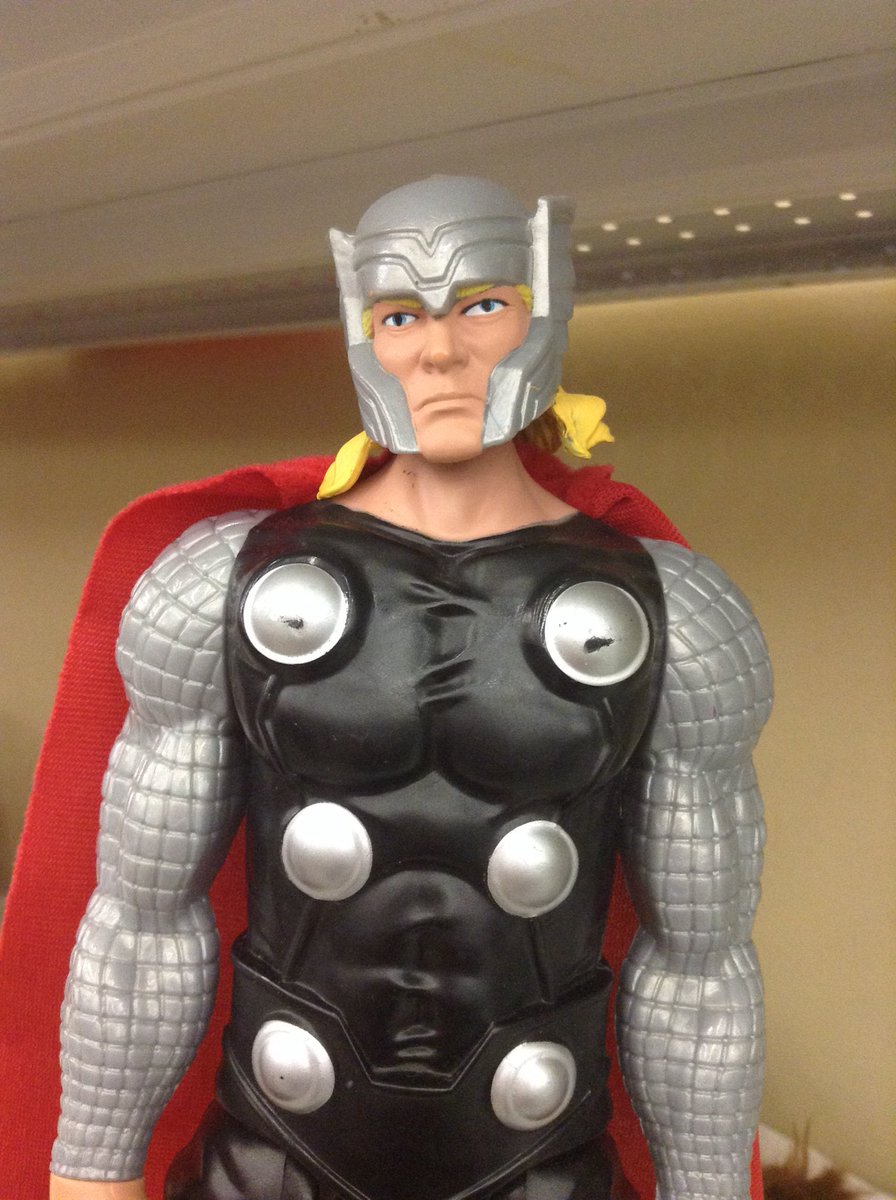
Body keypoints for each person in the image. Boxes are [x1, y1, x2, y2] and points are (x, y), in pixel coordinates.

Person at [47, 176, 770, 1200]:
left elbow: (699, 968)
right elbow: (138, 919)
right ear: (363, 335)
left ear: (547, 307)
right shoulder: (218, 583)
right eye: (399, 315)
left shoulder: (676, 615)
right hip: (273, 1151)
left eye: (481, 304)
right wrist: (92, 1172)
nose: (439, 351)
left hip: (532, 1153)